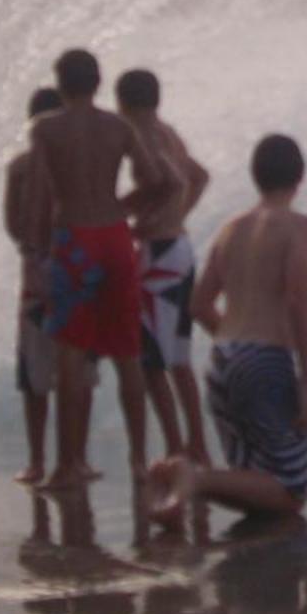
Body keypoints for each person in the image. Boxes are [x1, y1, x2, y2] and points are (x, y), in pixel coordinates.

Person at [146, 135, 307, 525]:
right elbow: (296, 298)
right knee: (290, 492)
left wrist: (237, 347)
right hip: (265, 361)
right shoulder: (300, 226)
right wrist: (306, 379)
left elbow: (197, 305)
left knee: (256, 481)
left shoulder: (231, 229)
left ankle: (176, 476)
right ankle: (195, 478)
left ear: (255, 177)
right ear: (300, 177)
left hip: (223, 359)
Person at [21, 49, 172, 489]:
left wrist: (35, 252)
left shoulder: (46, 129)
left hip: (74, 242)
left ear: (62, 84)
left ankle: (67, 465)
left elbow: (36, 199)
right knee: (128, 352)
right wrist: (125, 211)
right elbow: (158, 179)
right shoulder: (119, 127)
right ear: (97, 82)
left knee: (71, 350)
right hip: (115, 239)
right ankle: (141, 460)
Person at [116, 68, 213, 465]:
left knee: (154, 359)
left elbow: (171, 181)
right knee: (174, 358)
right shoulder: (167, 131)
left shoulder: (143, 135)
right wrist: (175, 216)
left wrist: (130, 214)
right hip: (177, 247)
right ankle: (193, 445)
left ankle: (179, 446)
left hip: (160, 256)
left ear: (124, 104)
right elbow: (199, 177)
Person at [5, 86, 65, 484]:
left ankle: (49, 459)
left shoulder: (29, 165)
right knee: (45, 370)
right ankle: (45, 458)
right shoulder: (23, 167)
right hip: (57, 263)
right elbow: (11, 220)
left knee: (65, 367)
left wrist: (32, 248)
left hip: (50, 263)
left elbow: (12, 222)